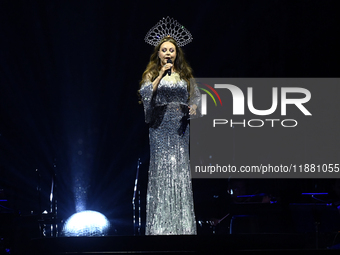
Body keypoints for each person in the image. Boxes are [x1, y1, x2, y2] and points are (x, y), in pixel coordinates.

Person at [139, 17, 200, 235]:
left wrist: (193, 108)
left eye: (171, 50)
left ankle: (182, 229)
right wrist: (159, 77)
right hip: (159, 129)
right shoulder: (151, 74)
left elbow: (197, 98)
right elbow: (146, 95)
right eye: (164, 50)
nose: (168, 53)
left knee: (180, 172)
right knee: (162, 173)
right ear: (158, 53)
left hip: (180, 130)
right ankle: (160, 230)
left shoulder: (185, 75)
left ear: (177, 53)